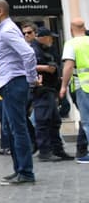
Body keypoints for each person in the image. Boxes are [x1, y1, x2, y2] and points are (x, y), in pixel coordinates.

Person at [0, 0, 37, 184]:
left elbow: (28, 53)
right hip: (10, 82)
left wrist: (31, 79)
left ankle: (26, 172)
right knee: (10, 129)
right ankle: (20, 170)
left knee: (18, 128)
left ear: (0, 11)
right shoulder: (6, 30)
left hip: (14, 83)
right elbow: (13, 58)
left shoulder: (7, 31)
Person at [30, 26, 71, 161]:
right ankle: (45, 151)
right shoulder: (34, 49)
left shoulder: (46, 49)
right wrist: (46, 68)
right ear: (43, 37)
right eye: (50, 37)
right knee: (43, 120)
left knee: (54, 121)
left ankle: (57, 149)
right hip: (42, 89)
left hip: (50, 89)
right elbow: (27, 65)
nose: (51, 40)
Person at [60, 18, 89, 164]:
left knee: (87, 121)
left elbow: (69, 67)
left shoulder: (71, 43)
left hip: (83, 86)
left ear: (71, 29)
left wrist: (63, 86)